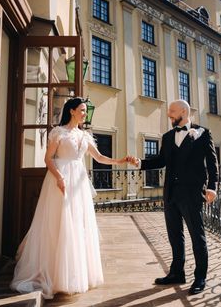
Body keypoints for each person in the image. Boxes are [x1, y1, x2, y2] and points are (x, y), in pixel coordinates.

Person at [11, 97, 131, 299]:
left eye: (85, 110)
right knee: (59, 223)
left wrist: (121, 160)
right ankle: (55, 274)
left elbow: (100, 158)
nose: (85, 113)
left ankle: (74, 275)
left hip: (79, 183)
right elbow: (48, 158)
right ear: (72, 111)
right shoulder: (59, 133)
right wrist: (59, 177)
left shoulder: (85, 136)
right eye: (82, 110)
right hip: (60, 179)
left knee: (78, 224)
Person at [131, 99, 218, 295]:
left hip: (192, 193)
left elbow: (212, 163)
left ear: (184, 112)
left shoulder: (202, 133)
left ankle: (200, 277)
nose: (169, 114)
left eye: (172, 111)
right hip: (171, 193)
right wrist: (140, 163)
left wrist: (212, 187)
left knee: (197, 236)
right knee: (174, 236)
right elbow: (161, 161)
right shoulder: (168, 136)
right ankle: (177, 273)